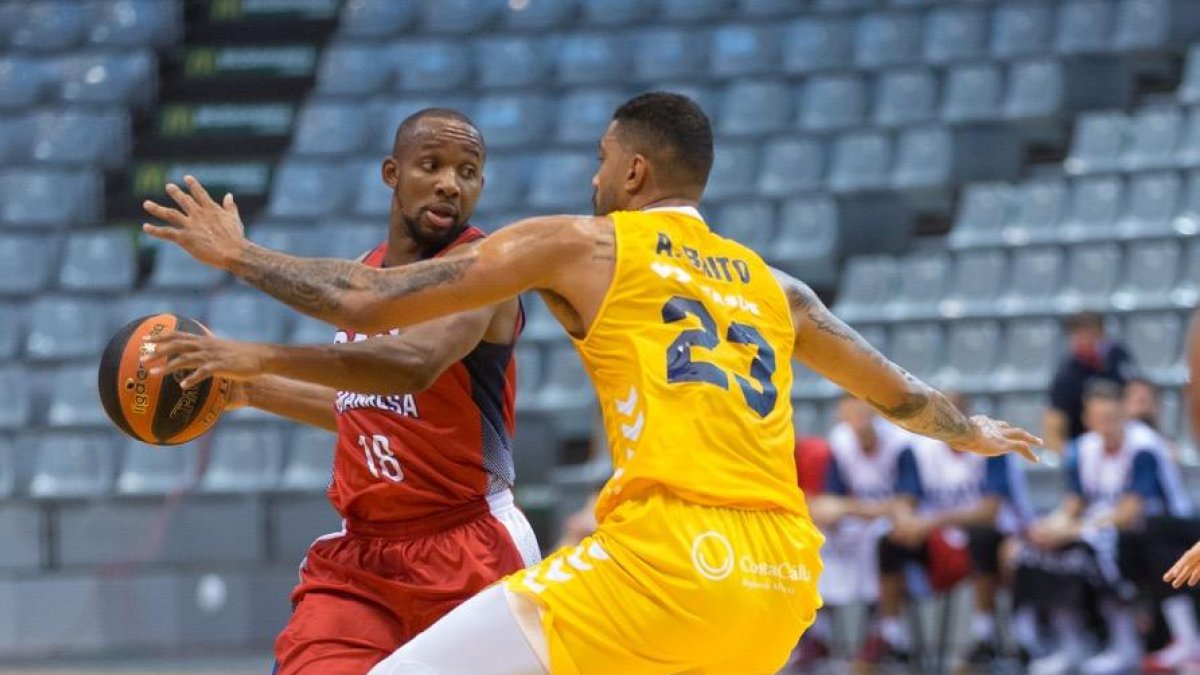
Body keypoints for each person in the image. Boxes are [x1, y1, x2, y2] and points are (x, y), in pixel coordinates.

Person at [142, 91, 1039, 675]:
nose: (595, 173)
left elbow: (371, 306)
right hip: (779, 580)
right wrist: (974, 431)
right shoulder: (777, 287)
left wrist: (238, 254)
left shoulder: (584, 241)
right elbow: (902, 395)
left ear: (635, 171)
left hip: (663, 562)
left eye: (605, 158)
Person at [145, 109, 540, 674]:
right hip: (364, 558)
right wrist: (251, 390)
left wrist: (260, 352)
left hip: (468, 544)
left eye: (468, 172)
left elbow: (410, 367)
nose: (451, 182)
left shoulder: (485, 270)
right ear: (391, 173)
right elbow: (364, 406)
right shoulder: (366, 271)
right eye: (431, 165)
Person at [1013, 382, 1189, 675]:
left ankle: (1125, 644)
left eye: (1113, 417)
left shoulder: (1143, 446)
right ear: (1088, 420)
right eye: (1101, 418)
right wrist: (1050, 528)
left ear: (1124, 414)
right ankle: (1069, 644)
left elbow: (1128, 512)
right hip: (1106, 528)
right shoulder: (1082, 449)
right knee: (1035, 552)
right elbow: (1074, 504)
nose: (1107, 425)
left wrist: (1072, 531)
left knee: (1095, 548)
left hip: (1161, 531)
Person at [867, 393, 1035, 672]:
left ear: (965, 416)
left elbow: (989, 511)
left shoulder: (990, 444)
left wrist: (930, 522)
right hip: (942, 538)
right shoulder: (919, 449)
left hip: (999, 536)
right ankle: (893, 637)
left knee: (981, 537)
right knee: (890, 540)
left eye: (953, 413)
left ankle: (984, 637)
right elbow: (906, 497)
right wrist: (906, 520)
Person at [802, 396, 915, 668]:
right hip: (860, 521)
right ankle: (817, 633)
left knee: (885, 538)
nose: (857, 420)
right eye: (850, 414)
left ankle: (887, 632)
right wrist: (841, 510)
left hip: (901, 529)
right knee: (817, 536)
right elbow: (832, 499)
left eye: (862, 412)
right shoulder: (841, 441)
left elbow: (905, 505)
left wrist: (850, 508)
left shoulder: (900, 442)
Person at [1043, 311, 1137, 452]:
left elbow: (1136, 397)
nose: (1086, 341)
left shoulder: (1119, 357)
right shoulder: (1067, 375)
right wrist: (1072, 455)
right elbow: (1053, 423)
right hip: (1085, 444)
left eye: (1091, 335)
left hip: (1124, 439)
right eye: (1079, 336)